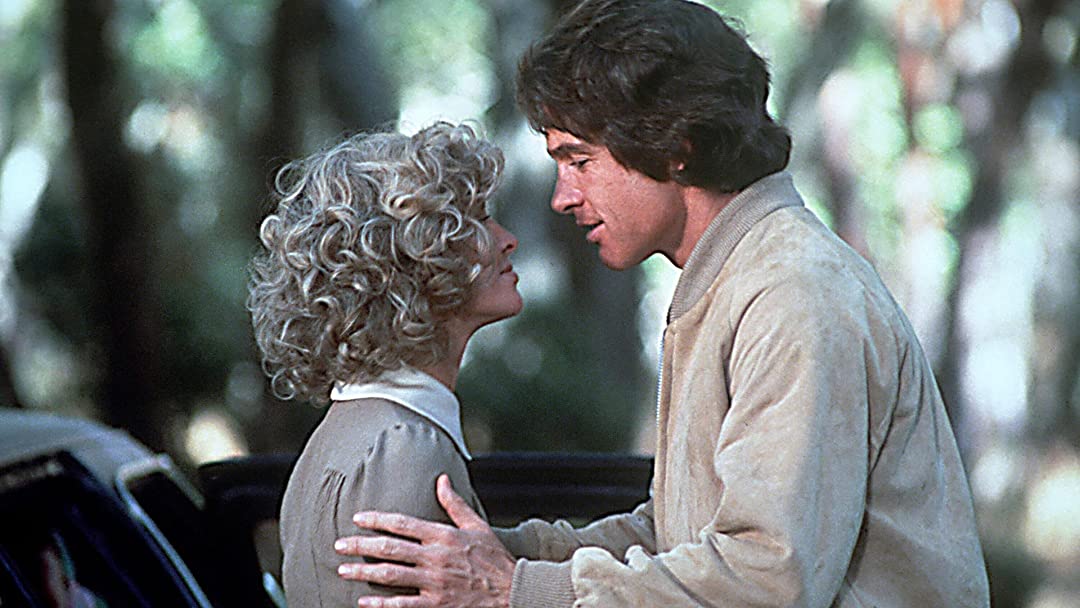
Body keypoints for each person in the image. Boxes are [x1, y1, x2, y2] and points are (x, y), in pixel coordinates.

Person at [332, 1, 992, 606]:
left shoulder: (791, 292)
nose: (562, 197)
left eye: (579, 160)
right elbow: (679, 538)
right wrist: (503, 555)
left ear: (676, 146)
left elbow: (767, 581)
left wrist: (516, 588)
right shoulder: (735, 274)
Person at [247, 121, 522, 607]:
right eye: (478, 221)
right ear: (415, 263)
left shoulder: (356, 431)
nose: (507, 239)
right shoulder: (404, 448)